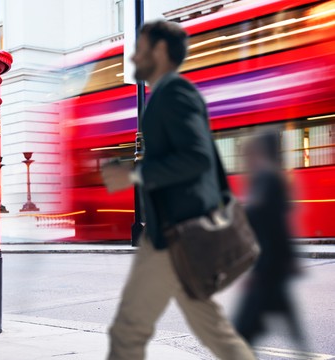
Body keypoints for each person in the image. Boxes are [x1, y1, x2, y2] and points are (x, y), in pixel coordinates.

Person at [101, 20, 256, 360]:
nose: (134, 57)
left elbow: (197, 157)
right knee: (215, 332)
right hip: (175, 235)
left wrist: (134, 175)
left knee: (129, 330)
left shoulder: (175, 92)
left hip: (174, 237)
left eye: (140, 49)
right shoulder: (169, 93)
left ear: (158, 51)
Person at [233, 133, 304, 346]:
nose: (244, 161)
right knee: (285, 327)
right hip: (274, 269)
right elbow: (279, 226)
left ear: (257, 153)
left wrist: (257, 270)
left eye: (246, 155)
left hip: (267, 270)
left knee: (242, 334)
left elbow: (271, 229)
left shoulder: (265, 179)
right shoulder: (269, 178)